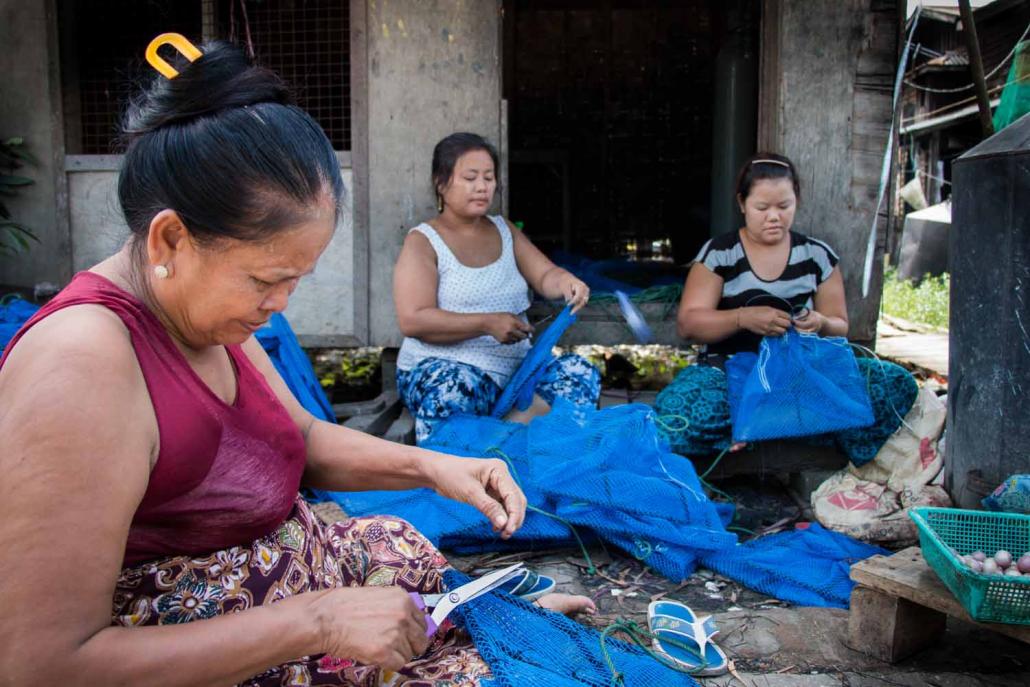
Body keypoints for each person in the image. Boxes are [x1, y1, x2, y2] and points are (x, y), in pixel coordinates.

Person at [0, 39, 591, 687]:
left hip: (295, 590)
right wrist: (317, 622)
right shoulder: (80, 361)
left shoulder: (206, 317)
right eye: (266, 279)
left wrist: (433, 465)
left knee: (416, 560)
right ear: (172, 239)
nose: (279, 306)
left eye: (297, 280)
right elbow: (40, 663)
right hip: (210, 650)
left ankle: (477, 619)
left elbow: (299, 436)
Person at [655, 152, 917, 463]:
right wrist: (743, 317)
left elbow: (839, 325)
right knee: (672, 421)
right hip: (729, 375)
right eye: (762, 208)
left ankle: (762, 427)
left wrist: (819, 322)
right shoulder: (720, 253)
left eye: (784, 206)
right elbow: (689, 324)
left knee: (894, 384)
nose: (774, 217)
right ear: (742, 204)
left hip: (800, 375)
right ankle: (785, 424)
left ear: (797, 201)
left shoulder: (817, 256)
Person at [393, 133, 601, 443]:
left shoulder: (505, 230)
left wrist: (567, 283)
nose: (482, 186)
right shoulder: (423, 241)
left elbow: (546, 275)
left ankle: (502, 442)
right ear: (441, 182)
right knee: (452, 388)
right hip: (447, 370)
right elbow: (414, 320)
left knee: (579, 373)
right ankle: (487, 452)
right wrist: (486, 323)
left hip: (515, 374)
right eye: (470, 177)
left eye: (488, 178)